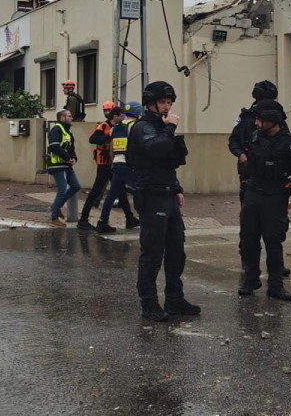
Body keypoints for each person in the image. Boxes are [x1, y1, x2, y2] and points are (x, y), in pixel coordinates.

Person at [126, 81, 200, 322]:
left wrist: (177, 188)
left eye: (169, 102)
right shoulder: (144, 127)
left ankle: (174, 299)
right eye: (162, 102)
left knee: (177, 250)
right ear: (150, 104)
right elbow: (156, 149)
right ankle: (149, 303)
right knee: (152, 252)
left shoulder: (162, 127)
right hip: (151, 196)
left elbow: (167, 163)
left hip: (168, 194)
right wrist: (170, 128)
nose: (167, 107)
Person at [238, 99, 291, 302]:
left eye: (260, 120)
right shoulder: (255, 137)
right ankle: (251, 279)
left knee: (273, 241)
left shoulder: (289, 143)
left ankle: (276, 285)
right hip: (253, 193)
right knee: (249, 238)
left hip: (275, 196)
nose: (257, 123)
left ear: (272, 120)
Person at [228, 80, 290, 279]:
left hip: (273, 178)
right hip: (250, 175)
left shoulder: (276, 116)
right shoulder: (246, 117)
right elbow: (233, 141)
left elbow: (285, 140)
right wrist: (241, 155)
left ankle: (276, 265)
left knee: (275, 226)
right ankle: (248, 263)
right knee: (249, 224)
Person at [94, 103, 141, 234]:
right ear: (138, 113)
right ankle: (148, 219)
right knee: (141, 190)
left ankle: (103, 222)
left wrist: (113, 163)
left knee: (111, 195)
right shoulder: (135, 126)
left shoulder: (115, 128)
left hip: (117, 163)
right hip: (129, 164)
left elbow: (112, 148)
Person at [77, 100, 118, 230]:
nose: (107, 112)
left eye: (109, 110)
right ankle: (83, 219)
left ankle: (129, 217)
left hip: (114, 161)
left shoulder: (117, 126)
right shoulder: (103, 126)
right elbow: (93, 139)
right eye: (105, 110)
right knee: (97, 189)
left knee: (120, 189)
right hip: (104, 162)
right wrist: (108, 137)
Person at [46, 108, 81, 225]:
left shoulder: (68, 132)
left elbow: (71, 148)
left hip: (66, 165)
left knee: (75, 186)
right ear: (62, 118)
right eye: (69, 116)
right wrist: (67, 158)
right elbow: (54, 146)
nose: (71, 118)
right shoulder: (56, 129)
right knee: (62, 190)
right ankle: (54, 217)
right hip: (56, 164)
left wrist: (74, 158)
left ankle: (56, 206)